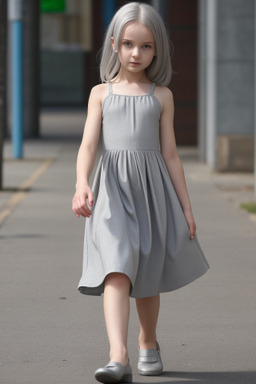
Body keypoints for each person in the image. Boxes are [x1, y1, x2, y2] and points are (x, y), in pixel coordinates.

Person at [72, 2, 209, 383]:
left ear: (157, 49)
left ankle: (148, 341)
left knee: (146, 271)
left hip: (152, 191)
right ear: (114, 43)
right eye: (129, 44)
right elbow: (87, 146)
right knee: (116, 267)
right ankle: (119, 356)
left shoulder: (160, 96)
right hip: (111, 191)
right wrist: (82, 183)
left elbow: (171, 155)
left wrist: (186, 208)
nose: (136, 53)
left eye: (146, 46)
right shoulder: (100, 94)